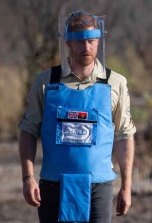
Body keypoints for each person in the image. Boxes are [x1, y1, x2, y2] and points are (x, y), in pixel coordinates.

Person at [18, 11, 136, 223]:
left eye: (91, 41)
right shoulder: (45, 82)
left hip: (99, 187)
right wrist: (28, 178)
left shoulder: (115, 83)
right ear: (68, 43)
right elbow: (28, 130)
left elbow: (124, 135)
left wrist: (126, 187)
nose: (86, 48)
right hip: (53, 186)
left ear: (98, 41)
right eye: (80, 42)